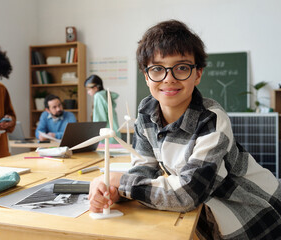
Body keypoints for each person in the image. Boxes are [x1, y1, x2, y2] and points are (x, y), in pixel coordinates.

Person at [88, 20, 281, 239]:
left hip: (255, 216)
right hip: (209, 216)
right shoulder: (145, 113)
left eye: (181, 67)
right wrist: (114, 192)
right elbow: (144, 169)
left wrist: (118, 181)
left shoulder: (211, 120)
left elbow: (187, 194)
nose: (169, 78)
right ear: (146, 75)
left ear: (198, 74)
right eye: (157, 69)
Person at [84, 75, 121, 143]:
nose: (88, 92)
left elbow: (100, 119)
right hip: (114, 135)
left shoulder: (98, 96)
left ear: (95, 88)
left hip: (106, 137)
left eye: (88, 89)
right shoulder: (106, 95)